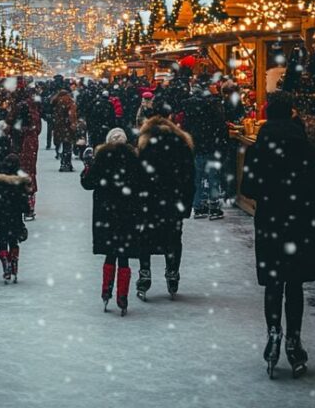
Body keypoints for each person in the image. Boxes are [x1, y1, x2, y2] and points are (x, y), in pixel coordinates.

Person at [241, 92, 315, 379]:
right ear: (291, 113)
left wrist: (269, 191)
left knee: (273, 282)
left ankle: (273, 335)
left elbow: (248, 188)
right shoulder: (304, 147)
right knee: (294, 283)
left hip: (271, 221)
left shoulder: (259, 148)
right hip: (300, 222)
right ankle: (294, 340)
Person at [80, 127, 143, 316]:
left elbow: (87, 183)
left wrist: (87, 168)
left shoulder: (102, 157)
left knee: (110, 253)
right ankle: (122, 295)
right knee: (123, 255)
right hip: (127, 213)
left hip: (106, 213)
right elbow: (142, 184)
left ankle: (106, 290)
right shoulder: (133, 159)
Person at [136, 108, 194, 300]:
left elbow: (138, 175)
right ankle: (172, 273)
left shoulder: (144, 143)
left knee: (145, 236)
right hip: (174, 199)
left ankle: (145, 274)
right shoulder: (182, 143)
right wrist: (187, 203)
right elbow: (189, 175)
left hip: (149, 199)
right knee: (174, 237)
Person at [183, 78, 229, 220]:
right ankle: (213, 207)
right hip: (212, 144)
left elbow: (187, 126)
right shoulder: (214, 104)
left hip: (197, 144)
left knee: (198, 177)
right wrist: (223, 142)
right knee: (213, 177)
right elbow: (221, 125)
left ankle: (198, 206)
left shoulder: (189, 105)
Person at [0, 152, 31, 284]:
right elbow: (24, 202)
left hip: (0, 217)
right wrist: (27, 209)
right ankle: (14, 263)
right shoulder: (20, 182)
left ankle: (5, 262)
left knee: (3, 242)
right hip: (15, 218)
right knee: (14, 241)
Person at [7, 83, 41, 217]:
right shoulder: (34, 108)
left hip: (19, 143)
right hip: (30, 143)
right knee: (30, 171)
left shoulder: (18, 107)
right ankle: (29, 204)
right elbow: (38, 129)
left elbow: (8, 122)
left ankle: (19, 202)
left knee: (17, 170)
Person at [51, 82, 77, 172]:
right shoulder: (69, 101)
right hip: (67, 127)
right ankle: (67, 164)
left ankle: (63, 163)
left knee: (62, 145)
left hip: (58, 126)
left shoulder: (56, 101)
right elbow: (71, 114)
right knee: (68, 146)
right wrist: (73, 124)